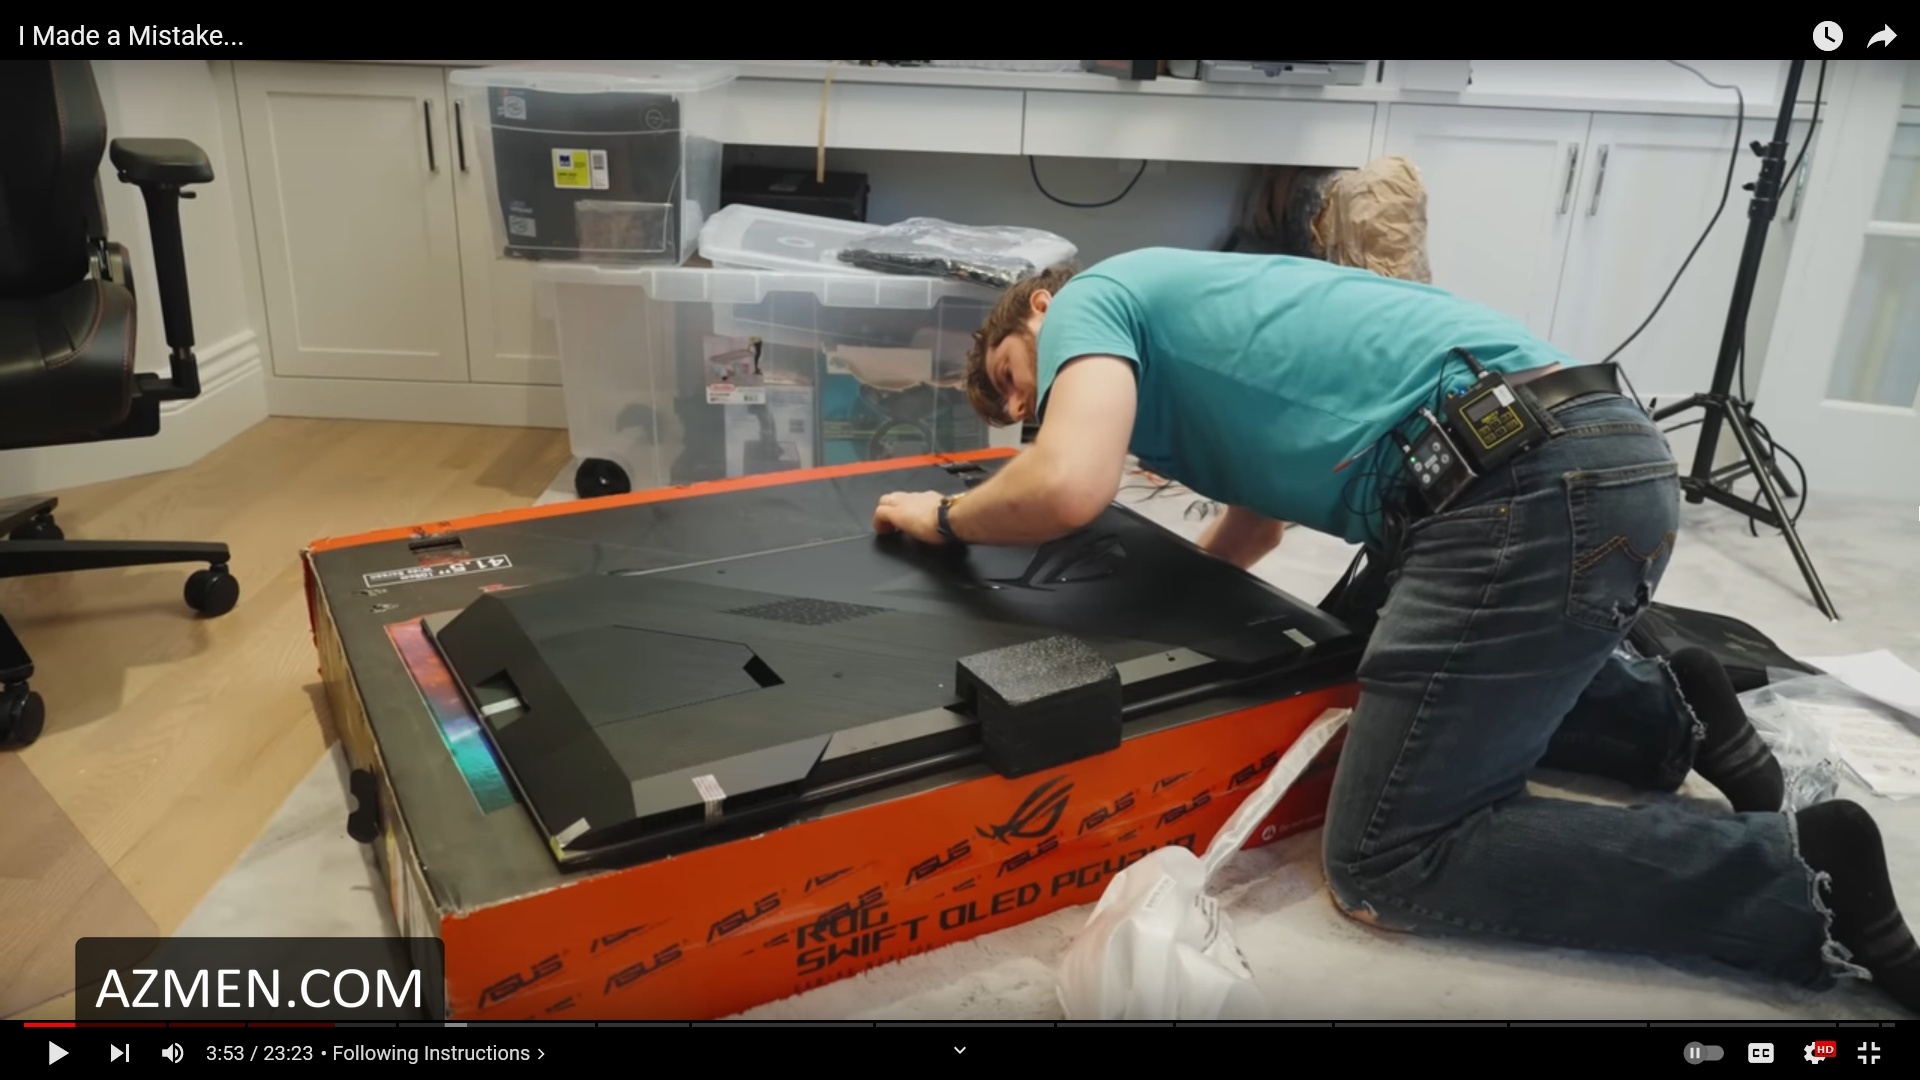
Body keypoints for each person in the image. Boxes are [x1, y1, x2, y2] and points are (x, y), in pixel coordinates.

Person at [869, 248, 1919, 1013]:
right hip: (1587, 459)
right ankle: (1670, 715)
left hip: (1518, 491)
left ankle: (1799, 879)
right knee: (1338, 649)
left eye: (1018, 379)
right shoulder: (1196, 323)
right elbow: (1253, 529)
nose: (1033, 405)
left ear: (1039, 306)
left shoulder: (1096, 296)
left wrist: (946, 517)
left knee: (1391, 854)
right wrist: (1174, 616)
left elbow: (1065, 484)